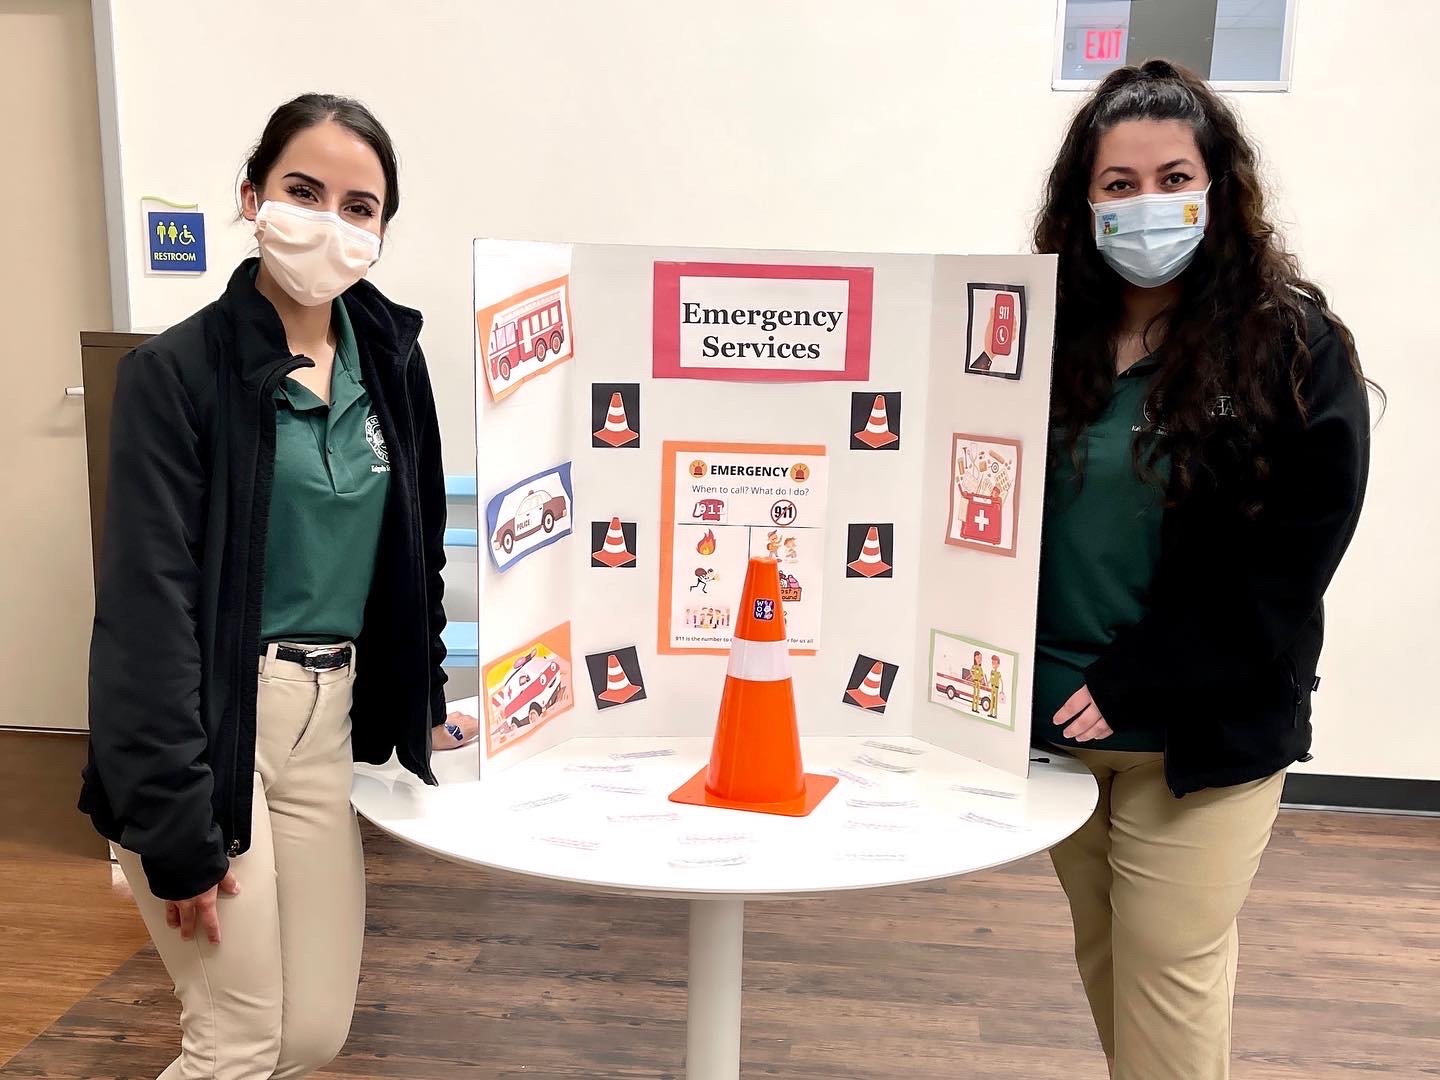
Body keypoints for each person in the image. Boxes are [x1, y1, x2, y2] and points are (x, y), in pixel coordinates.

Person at [78, 93, 469, 1079]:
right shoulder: (177, 376)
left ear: (381, 229)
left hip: (326, 725)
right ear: (252, 197)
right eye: (303, 190)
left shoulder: (391, 361)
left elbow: (413, 550)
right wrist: (176, 825)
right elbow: (146, 611)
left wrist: (420, 698)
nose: (329, 220)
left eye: (359, 204)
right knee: (239, 1039)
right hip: (213, 727)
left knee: (312, 1037)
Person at [1032, 61, 1374, 1080]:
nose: (1148, 205)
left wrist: (1136, 678)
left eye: (1173, 177)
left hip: (1199, 730)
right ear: (1084, 200)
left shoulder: (1294, 344)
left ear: (1217, 188)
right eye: (1120, 185)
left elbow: (1289, 562)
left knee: (1168, 970)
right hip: (1054, 722)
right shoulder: (1041, 336)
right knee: (1108, 960)